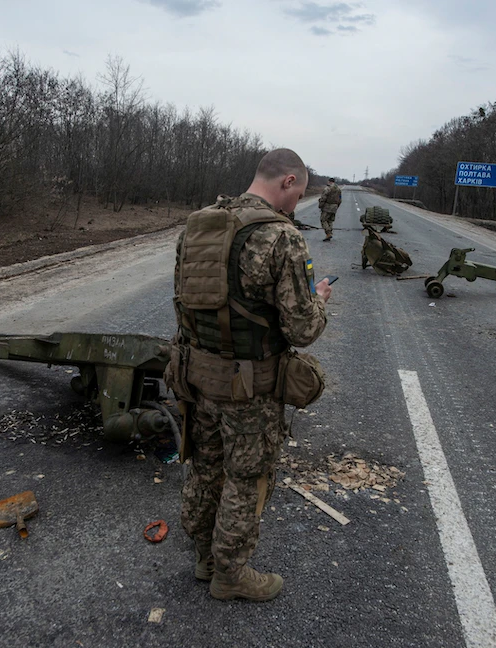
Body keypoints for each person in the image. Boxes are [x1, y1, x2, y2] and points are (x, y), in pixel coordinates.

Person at [166, 148, 332, 602]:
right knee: (247, 477)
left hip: (197, 376)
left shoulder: (198, 224)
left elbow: (183, 303)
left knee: (204, 465)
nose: (296, 204)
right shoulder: (282, 237)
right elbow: (302, 327)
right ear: (287, 181)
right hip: (249, 388)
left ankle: (204, 556)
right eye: (298, 193)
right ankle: (231, 574)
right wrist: (319, 301)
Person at [318, 177, 342, 241]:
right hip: (335, 207)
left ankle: (328, 233)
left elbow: (323, 198)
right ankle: (330, 233)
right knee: (330, 221)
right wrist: (337, 206)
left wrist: (320, 205)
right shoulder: (339, 189)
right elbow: (340, 199)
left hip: (327, 206)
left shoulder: (327, 189)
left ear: (329, 182)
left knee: (323, 220)